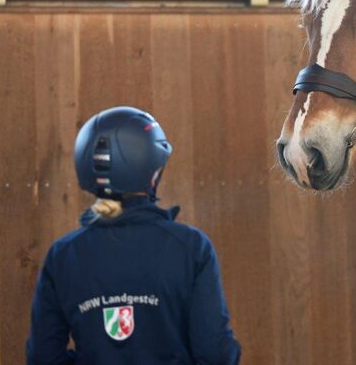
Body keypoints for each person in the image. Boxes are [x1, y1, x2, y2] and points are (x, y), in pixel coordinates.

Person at [27, 106, 241, 364]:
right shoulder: (190, 248)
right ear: (151, 171)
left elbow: (43, 358)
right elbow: (215, 354)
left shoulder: (63, 256)